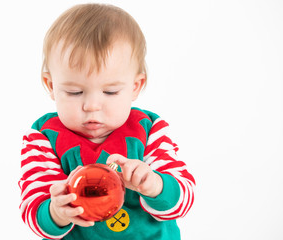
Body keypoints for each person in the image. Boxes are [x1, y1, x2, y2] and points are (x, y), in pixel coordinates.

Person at [19, 3, 195, 239]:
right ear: (51, 85)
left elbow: (184, 198)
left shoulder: (149, 129)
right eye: (74, 92)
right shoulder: (43, 139)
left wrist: (154, 185)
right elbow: (33, 208)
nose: (91, 106)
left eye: (110, 92)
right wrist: (56, 212)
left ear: (135, 87)